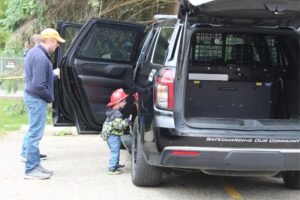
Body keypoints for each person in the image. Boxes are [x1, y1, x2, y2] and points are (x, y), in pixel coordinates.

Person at [22, 28, 65, 180]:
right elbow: (39, 85)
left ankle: (35, 165)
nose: (58, 46)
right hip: (36, 99)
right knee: (35, 135)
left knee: (34, 133)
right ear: (51, 40)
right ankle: (31, 169)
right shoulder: (40, 57)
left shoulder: (35, 53)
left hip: (33, 97)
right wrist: (50, 98)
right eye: (57, 42)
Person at [101, 88, 131, 175]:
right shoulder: (118, 114)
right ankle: (112, 168)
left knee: (115, 150)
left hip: (110, 136)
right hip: (113, 136)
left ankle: (116, 165)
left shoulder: (112, 112)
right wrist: (126, 121)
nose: (125, 103)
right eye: (124, 101)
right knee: (115, 151)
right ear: (118, 102)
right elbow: (119, 126)